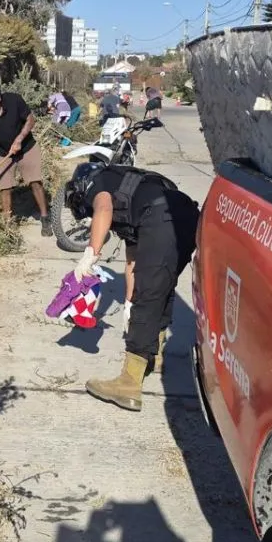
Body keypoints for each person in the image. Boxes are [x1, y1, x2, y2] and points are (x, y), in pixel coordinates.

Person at [68, 161, 199, 411]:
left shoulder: (100, 181)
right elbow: (134, 261)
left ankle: (128, 383)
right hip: (186, 217)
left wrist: (90, 256)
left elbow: (103, 209)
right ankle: (154, 356)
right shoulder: (131, 191)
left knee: (148, 299)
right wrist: (129, 304)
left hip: (162, 218)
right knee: (159, 288)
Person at [0, 83, 52, 237]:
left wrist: (19, 139)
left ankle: (45, 217)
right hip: (4, 151)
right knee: (4, 187)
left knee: (35, 182)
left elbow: (31, 120)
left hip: (27, 148)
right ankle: (8, 224)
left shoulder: (14, 101)